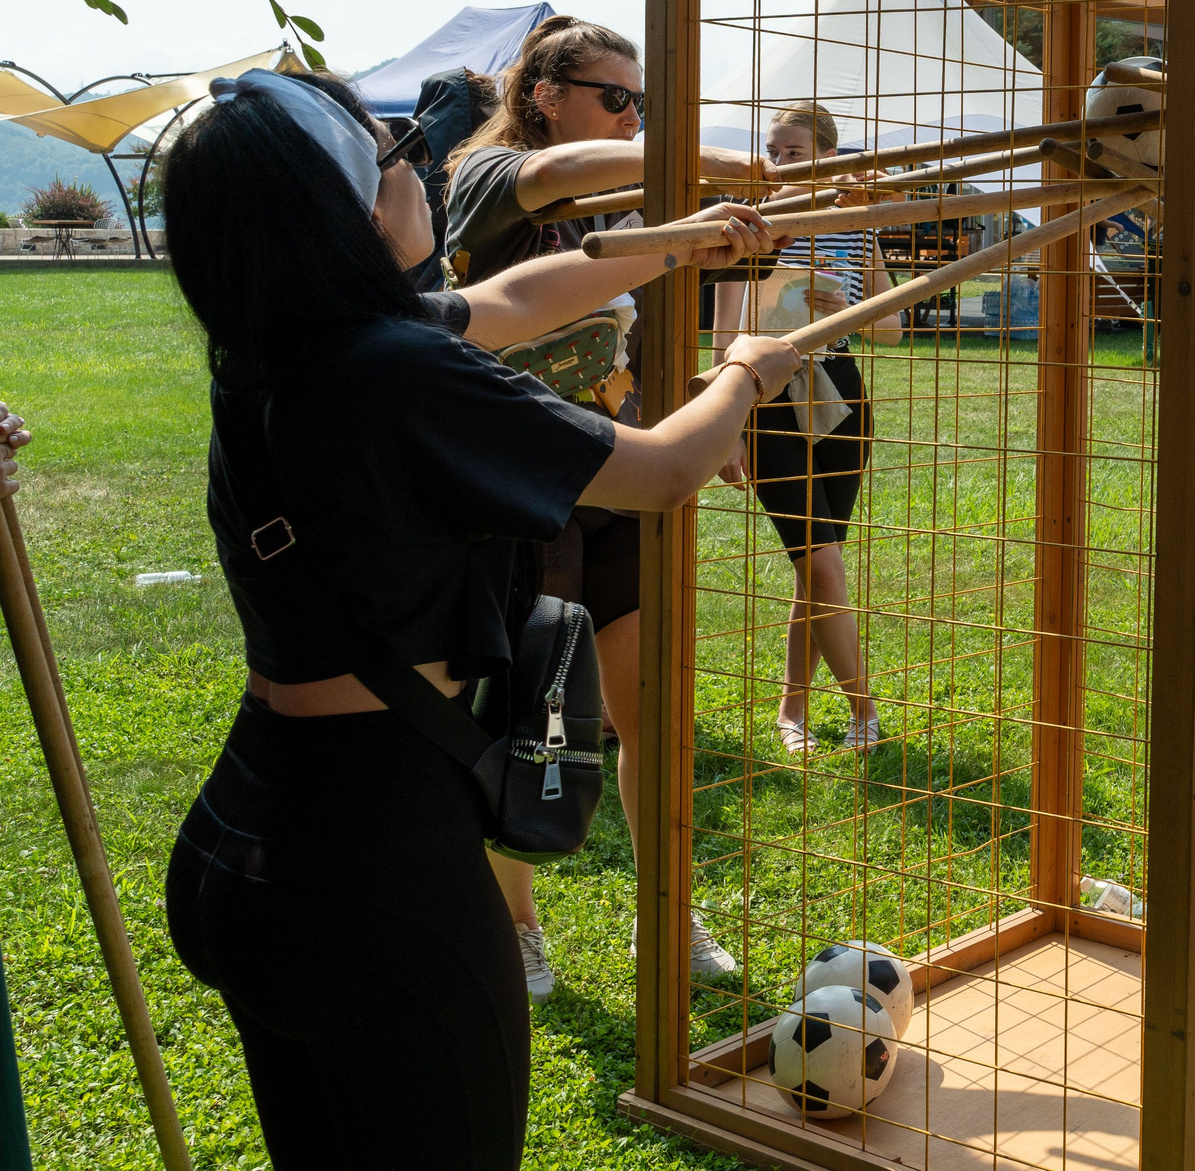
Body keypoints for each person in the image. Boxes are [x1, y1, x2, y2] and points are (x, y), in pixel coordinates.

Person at [156, 68, 796, 1171]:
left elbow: (510, 303)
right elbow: (662, 470)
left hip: (252, 843)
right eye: (403, 161)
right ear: (356, 210)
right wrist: (744, 368)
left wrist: (676, 244)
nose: (427, 178)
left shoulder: (291, 338)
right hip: (374, 872)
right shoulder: (397, 368)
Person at [442, 14, 768, 998]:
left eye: (645, 104)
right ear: (544, 97)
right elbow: (562, 180)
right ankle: (515, 926)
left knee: (646, 715)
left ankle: (667, 912)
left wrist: (702, 434)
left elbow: (630, 331)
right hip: (514, 487)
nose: (633, 120)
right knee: (525, 718)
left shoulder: (624, 203)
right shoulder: (493, 178)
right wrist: (745, 168)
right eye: (616, 99)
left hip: (613, 475)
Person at [710, 105, 880, 758]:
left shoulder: (854, 227)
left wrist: (852, 309)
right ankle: (864, 709)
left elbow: (890, 326)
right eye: (773, 150)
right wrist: (728, 430)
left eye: (793, 151)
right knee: (825, 565)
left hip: (841, 402)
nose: (777, 162)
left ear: (829, 157)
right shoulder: (743, 227)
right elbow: (726, 337)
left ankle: (792, 709)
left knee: (819, 570)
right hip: (767, 401)